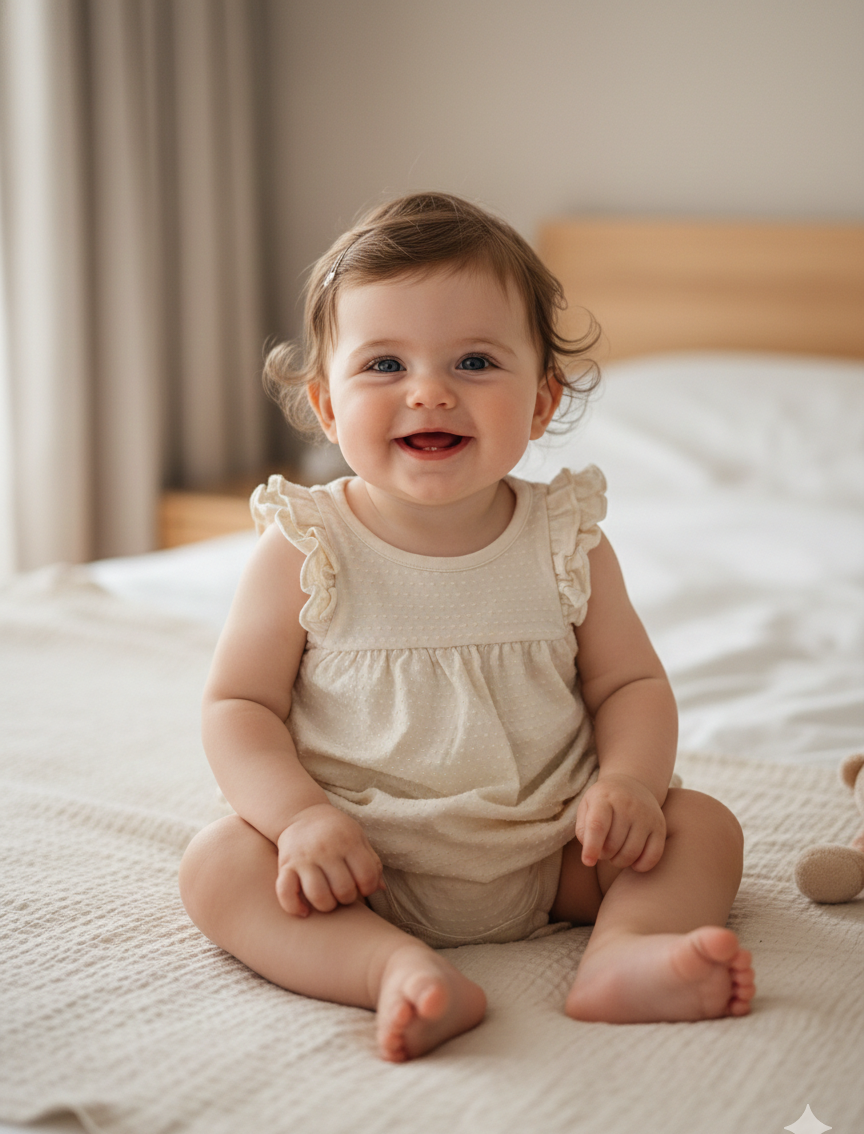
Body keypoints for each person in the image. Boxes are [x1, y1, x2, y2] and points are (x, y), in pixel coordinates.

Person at [179, 192, 755, 1062]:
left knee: (703, 827)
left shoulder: (568, 541)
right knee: (218, 867)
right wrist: (298, 821)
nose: (430, 392)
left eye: (476, 360)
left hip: (552, 848)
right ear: (327, 407)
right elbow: (237, 706)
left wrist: (632, 785)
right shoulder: (306, 545)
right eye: (382, 366)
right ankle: (393, 971)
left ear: (540, 403)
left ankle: (621, 958)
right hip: (356, 862)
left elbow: (630, 684)